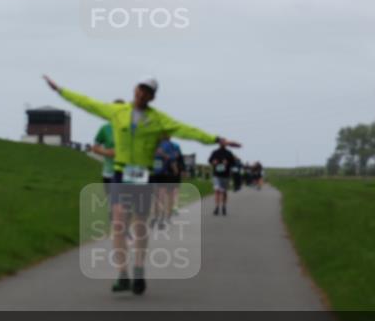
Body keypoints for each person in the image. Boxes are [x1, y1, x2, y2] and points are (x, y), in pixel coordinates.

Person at [43, 75, 239, 295]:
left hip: (143, 175)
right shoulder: (117, 111)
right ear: (135, 89)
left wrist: (216, 139)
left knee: (139, 224)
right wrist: (60, 90)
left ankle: (138, 269)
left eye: (147, 91)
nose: (142, 93)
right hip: (121, 172)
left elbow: (186, 130)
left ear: (152, 97)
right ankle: (122, 273)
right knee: (118, 222)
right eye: (140, 88)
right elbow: (87, 103)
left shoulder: (158, 119)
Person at [91, 101, 125, 188]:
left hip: (130, 173)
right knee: (112, 200)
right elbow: (95, 148)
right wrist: (106, 152)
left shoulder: (134, 128)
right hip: (109, 172)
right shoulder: (105, 128)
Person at [209, 142, 235, 215]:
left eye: (224, 143)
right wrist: (213, 162)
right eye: (221, 143)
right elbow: (210, 160)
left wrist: (227, 163)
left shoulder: (229, 153)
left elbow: (233, 163)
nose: (223, 144)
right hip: (217, 174)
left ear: (226, 144)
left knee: (224, 192)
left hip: (225, 175)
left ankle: (223, 207)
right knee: (217, 190)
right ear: (219, 144)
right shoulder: (215, 152)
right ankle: (217, 207)